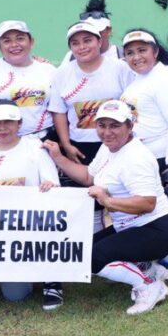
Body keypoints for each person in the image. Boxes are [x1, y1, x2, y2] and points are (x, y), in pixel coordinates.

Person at [42, 100, 168, 315]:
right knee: (82, 251)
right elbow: (89, 177)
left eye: (114, 126)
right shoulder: (108, 149)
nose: (107, 132)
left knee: (90, 258)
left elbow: (147, 203)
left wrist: (107, 201)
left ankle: (149, 285)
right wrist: (58, 158)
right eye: (102, 125)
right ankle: (151, 268)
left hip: (157, 229)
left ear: (130, 126)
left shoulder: (136, 157)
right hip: (131, 226)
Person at [0, 100, 60, 308]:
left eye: (9, 122)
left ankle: (51, 280)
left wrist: (48, 185)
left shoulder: (35, 148)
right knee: (15, 295)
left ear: (19, 123)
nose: (2, 128)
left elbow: (55, 187)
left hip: (33, 227)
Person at [48, 21, 132, 223]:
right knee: (88, 202)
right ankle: (94, 247)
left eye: (87, 40)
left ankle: (126, 246)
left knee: (121, 195)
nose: (82, 46)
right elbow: (59, 111)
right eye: (75, 43)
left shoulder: (119, 68)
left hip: (117, 144)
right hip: (81, 146)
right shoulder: (63, 73)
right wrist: (67, 144)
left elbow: (133, 103)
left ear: (99, 41)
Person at [0, 20, 56, 146]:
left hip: (45, 140)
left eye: (20, 38)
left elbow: (59, 110)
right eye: (7, 40)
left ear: (31, 42)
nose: (14, 44)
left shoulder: (48, 70)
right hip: (0, 142)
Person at [119, 29, 168, 172]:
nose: (136, 57)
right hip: (147, 155)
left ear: (155, 52)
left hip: (166, 157)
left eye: (142, 50)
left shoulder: (165, 79)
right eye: (130, 53)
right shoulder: (139, 76)